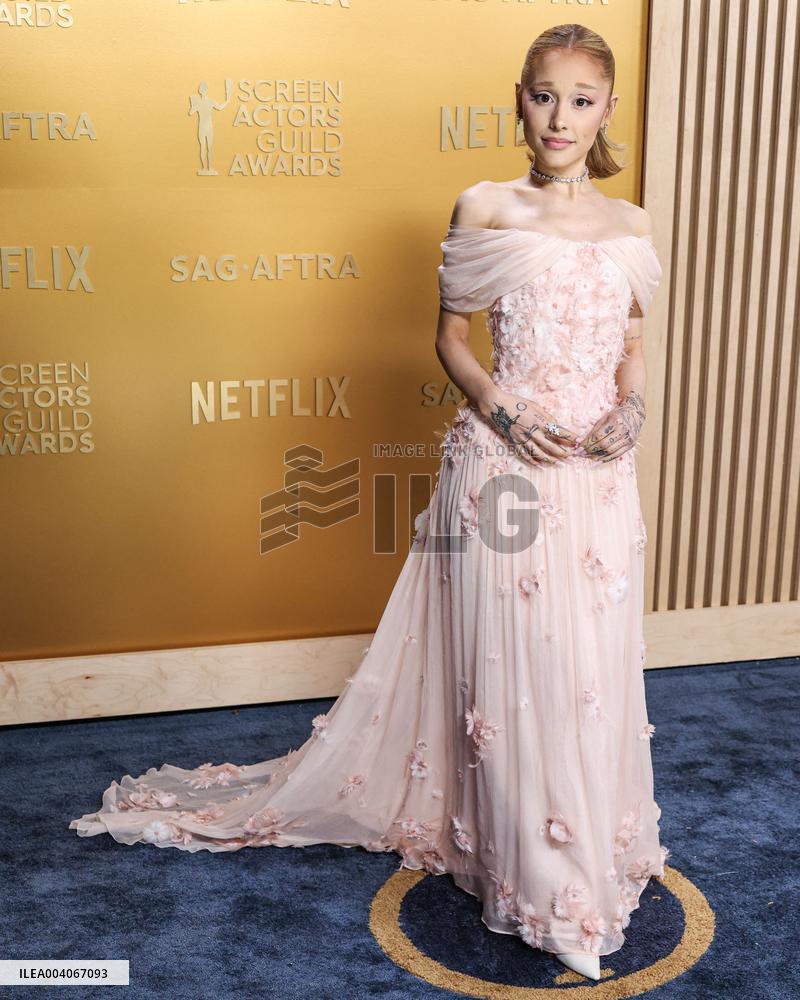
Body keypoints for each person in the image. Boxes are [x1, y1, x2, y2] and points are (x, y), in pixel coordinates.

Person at [70, 23, 668, 984]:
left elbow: (631, 344)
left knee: (588, 673)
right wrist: (504, 408)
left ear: (607, 110)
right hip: (503, 469)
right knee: (514, 676)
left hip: (597, 481)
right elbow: (452, 340)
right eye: (544, 95)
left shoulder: (632, 225)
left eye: (583, 99)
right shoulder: (484, 205)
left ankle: (592, 849)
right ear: (518, 98)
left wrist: (632, 408)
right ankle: (535, 878)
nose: (561, 117)